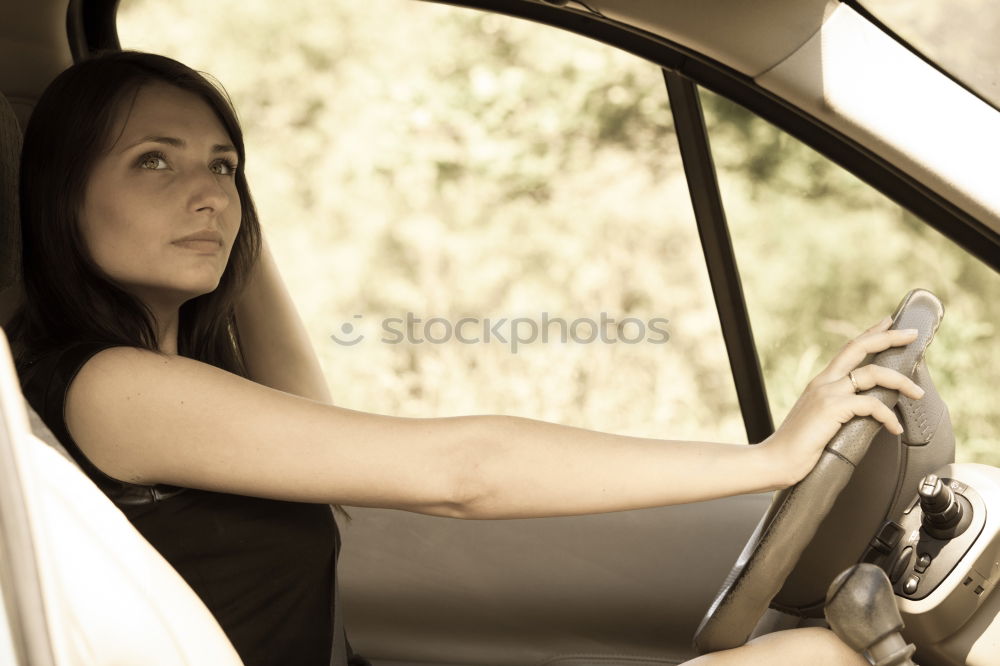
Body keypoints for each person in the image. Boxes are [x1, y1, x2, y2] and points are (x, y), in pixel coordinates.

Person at [5, 50, 924, 666]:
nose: (205, 192)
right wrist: (767, 460)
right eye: (154, 164)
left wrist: (229, 223)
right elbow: (460, 471)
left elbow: (316, 424)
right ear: (60, 196)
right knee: (818, 653)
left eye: (223, 165)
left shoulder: (173, 386)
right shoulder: (108, 386)